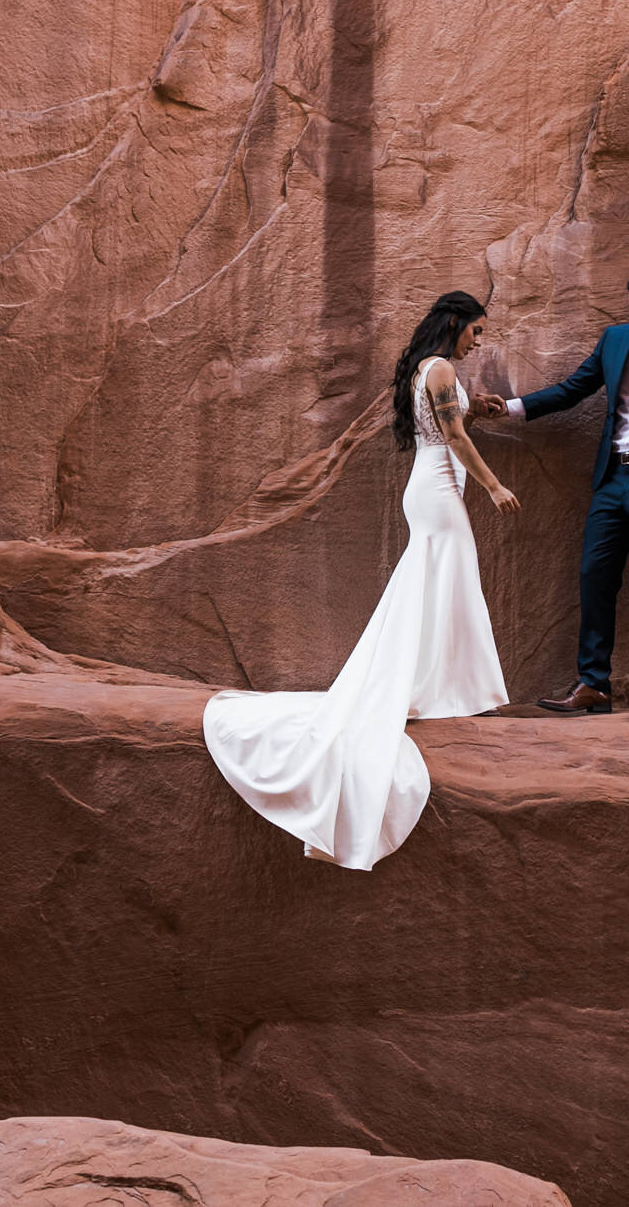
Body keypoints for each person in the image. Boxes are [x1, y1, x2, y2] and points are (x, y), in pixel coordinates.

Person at [203, 290, 520, 869]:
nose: (479, 340)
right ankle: (443, 689)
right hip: (439, 489)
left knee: (439, 582)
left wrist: (477, 406)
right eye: (475, 330)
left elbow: (445, 420)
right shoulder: (443, 367)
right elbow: (452, 436)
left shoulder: (429, 368)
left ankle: (438, 688)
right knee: (448, 577)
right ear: (455, 324)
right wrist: (495, 484)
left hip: (431, 484)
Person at [474, 267, 629, 718]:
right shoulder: (615, 340)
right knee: (594, 575)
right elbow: (574, 389)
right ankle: (594, 684)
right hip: (614, 475)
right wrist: (511, 408)